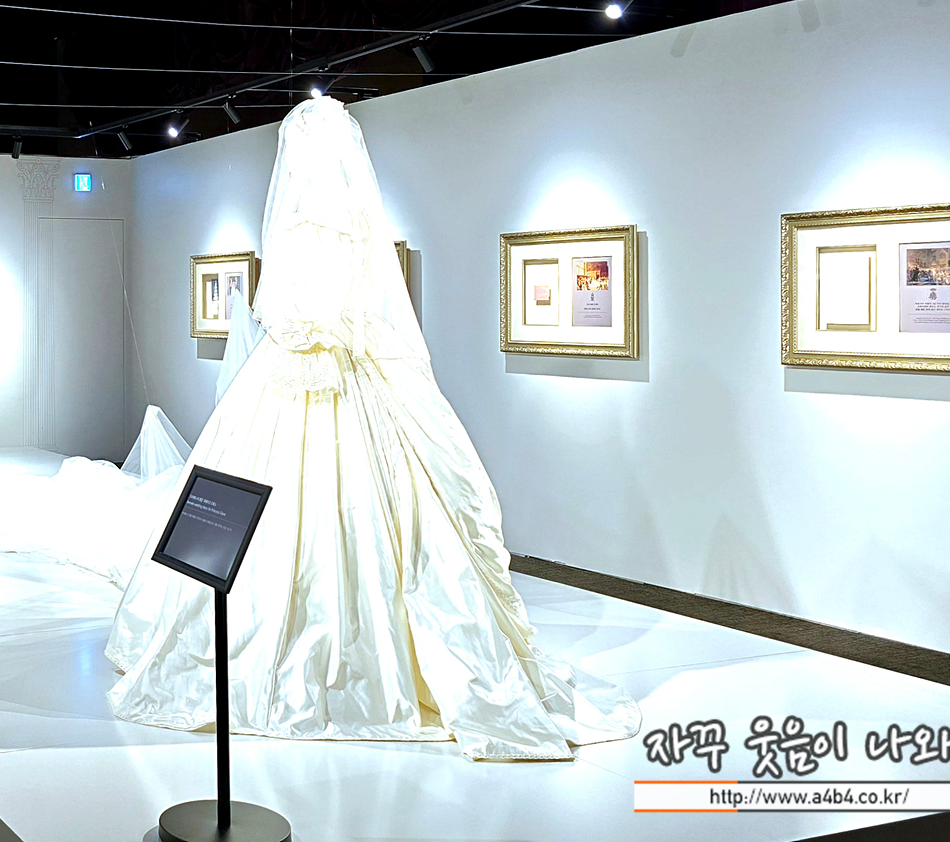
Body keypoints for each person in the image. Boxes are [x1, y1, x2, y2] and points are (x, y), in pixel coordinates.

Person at [105, 97, 640, 759]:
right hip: (350, 369)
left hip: (303, 367)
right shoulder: (356, 225)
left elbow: (283, 304)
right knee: (388, 518)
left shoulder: (300, 224)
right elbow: (358, 301)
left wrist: (307, 328)